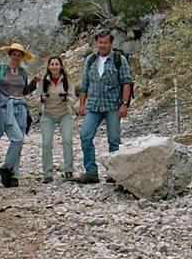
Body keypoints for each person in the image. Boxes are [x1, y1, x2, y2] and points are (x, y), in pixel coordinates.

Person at [74, 29, 132, 184]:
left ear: (111, 43)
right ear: (96, 43)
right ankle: (91, 172)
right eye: (100, 42)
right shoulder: (90, 60)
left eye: (105, 42)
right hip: (93, 106)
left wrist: (124, 105)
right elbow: (84, 84)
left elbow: (127, 82)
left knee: (114, 140)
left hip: (113, 105)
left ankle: (114, 173)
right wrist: (82, 104)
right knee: (85, 135)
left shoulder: (119, 59)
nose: (103, 45)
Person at [0, 42, 39, 188]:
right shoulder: (0, 69)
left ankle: (14, 176)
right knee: (17, 138)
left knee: (19, 140)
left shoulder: (23, 72)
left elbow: (24, 91)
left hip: (20, 107)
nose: (16, 57)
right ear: (10, 55)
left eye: (19, 55)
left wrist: (33, 83)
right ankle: (5, 168)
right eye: (14, 55)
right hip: (5, 106)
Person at [37, 56, 77, 183]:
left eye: (56, 64)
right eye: (52, 64)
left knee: (67, 140)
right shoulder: (43, 82)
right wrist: (42, 99)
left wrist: (66, 99)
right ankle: (47, 173)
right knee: (46, 143)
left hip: (64, 113)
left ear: (61, 66)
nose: (54, 67)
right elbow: (36, 100)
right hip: (48, 114)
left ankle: (69, 170)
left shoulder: (67, 81)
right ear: (49, 67)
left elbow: (73, 99)